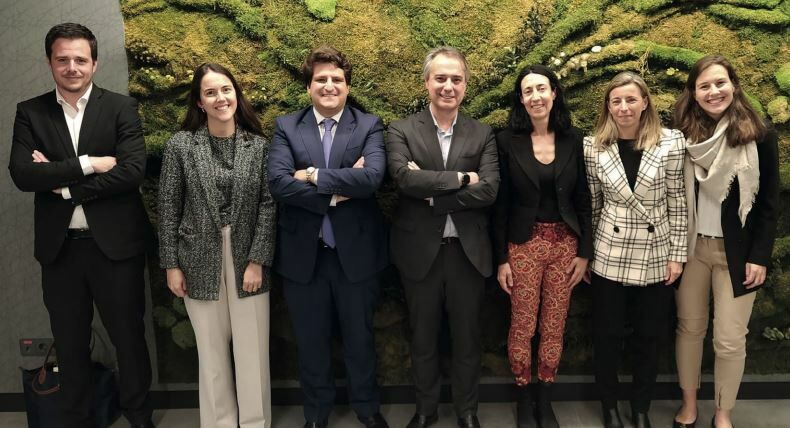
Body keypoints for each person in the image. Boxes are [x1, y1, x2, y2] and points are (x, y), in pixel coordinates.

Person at [8, 23, 154, 427]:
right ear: (50, 62)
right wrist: (89, 164)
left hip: (116, 247)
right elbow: (23, 174)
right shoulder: (31, 112)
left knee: (128, 339)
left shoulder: (121, 107)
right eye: (63, 59)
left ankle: (139, 417)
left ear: (95, 63)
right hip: (61, 250)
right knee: (69, 344)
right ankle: (78, 420)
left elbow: (131, 172)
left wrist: (63, 185)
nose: (72, 67)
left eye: (80, 59)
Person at [267, 46, 389, 428]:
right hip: (304, 257)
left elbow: (372, 179)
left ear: (348, 86)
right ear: (308, 87)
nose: (329, 85)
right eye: (321, 79)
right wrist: (337, 192)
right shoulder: (287, 127)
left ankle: (367, 409)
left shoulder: (368, 125)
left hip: (356, 255)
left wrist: (312, 176)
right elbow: (278, 184)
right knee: (310, 342)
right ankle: (317, 414)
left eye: (337, 79)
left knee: (360, 339)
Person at [386, 46, 499, 428]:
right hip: (420, 252)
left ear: (465, 85)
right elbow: (404, 179)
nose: (448, 86)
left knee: (468, 338)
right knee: (423, 337)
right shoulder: (401, 129)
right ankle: (426, 409)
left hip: (468, 254)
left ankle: (467, 411)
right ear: (426, 82)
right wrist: (464, 179)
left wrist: (433, 195)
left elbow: (490, 190)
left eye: (456, 79)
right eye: (441, 78)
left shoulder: (482, 133)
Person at [158, 63, 275, 428]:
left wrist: (257, 260)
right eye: (210, 92)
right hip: (196, 258)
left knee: (252, 350)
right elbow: (168, 207)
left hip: (247, 257)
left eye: (226, 89)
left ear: (236, 94)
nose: (220, 98)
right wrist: (171, 265)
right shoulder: (181, 146)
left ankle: (255, 423)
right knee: (210, 352)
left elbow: (268, 206)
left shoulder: (258, 146)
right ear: (199, 101)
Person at [672, 55, 780, 428]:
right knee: (689, 329)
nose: (713, 91)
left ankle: (723, 413)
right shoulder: (682, 137)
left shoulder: (760, 135)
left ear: (733, 85)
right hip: (691, 249)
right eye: (704, 86)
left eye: (720, 83)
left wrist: (760, 256)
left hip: (738, 253)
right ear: (694, 93)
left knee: (730, 339)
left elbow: (768, 203)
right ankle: (689, 405)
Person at [583, 71, 687, 428]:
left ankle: (641, 407)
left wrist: (677, 256)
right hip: (608, 252)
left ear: (645, 102)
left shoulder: (671, 142)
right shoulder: (593, 146)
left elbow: (678, 203)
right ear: (608, 107)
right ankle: (609, 406)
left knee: (649, 337)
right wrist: (588, 254)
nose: (624, 107)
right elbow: (593, 205)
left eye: (631, 99)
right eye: (616, 101)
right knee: (607, 336)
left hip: (656, 252)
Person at [493, 64, 592, 428]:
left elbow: (584, 200)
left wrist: (585, 253)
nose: (535, 96)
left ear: (554, 93)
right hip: (523, 245)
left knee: (554, 324)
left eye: (541, 88)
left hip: (566, 246)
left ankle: (545, 397)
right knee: (522, 324)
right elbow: (500, 204)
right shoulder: (506, 141)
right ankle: (523, 396)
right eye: (528, 91)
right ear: (521, 99)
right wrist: (501, 259)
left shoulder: (574, 139)